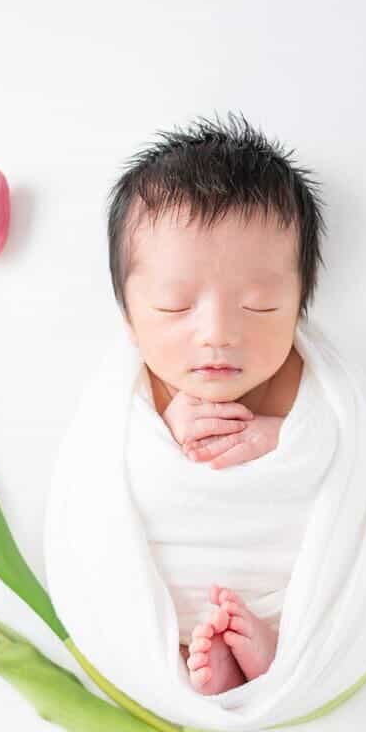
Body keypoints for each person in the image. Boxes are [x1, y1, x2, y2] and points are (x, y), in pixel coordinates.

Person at [106, 111, 328, 695]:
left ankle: (279, 647)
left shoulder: (310, 383)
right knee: (143, 600)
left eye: (258, 306)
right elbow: (109, 473)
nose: (218, 333)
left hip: (286, 590)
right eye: (176, 307)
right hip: (173, 589)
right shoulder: (135, 395)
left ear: (300, 304)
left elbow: (348, 455)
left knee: (318, 590)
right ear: (129, 317)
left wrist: (285, 437)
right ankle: (205, 656)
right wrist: (162, 434)